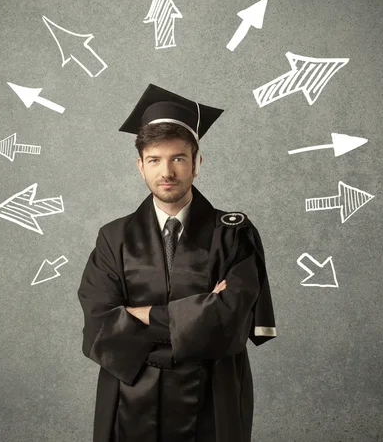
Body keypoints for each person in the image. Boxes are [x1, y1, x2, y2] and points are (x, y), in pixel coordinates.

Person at [78, 84, 276, 442]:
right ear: (140, 166)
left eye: (178, 158)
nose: (166, 171)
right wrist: (200, 310)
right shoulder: (113, 238)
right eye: (154, 160)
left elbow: (230, 322)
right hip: (130, 400)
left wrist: (141, 314)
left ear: (197, 163)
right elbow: (100, 325)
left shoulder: (232, 234)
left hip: (211, 400)